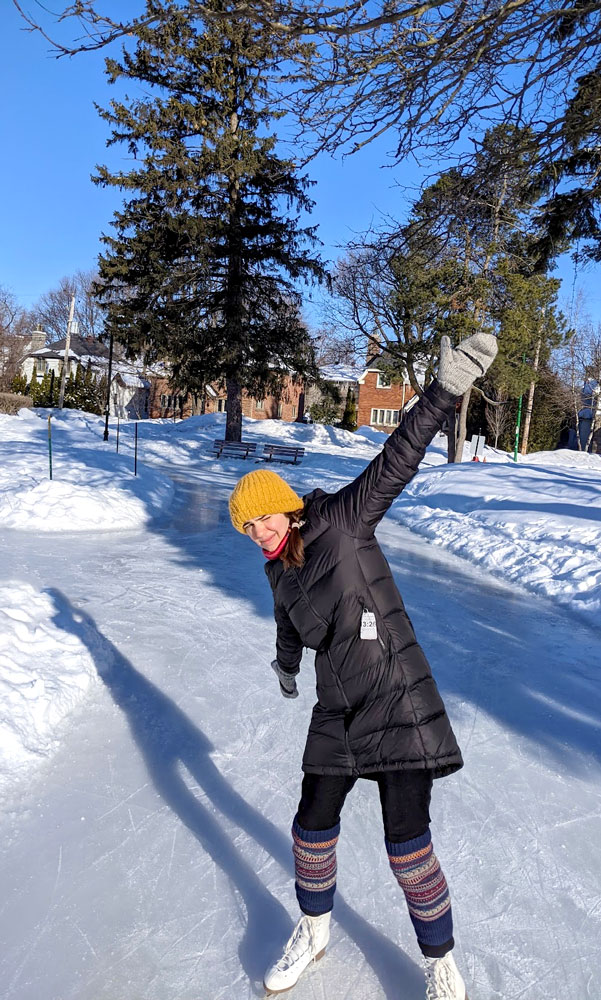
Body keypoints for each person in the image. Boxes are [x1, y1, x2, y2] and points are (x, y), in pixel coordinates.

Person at [228, 333, 497, 999]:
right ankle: (314, 931)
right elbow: (287, 623)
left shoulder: (343, 521)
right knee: (310, 828)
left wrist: (443, 390)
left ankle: (439, 963)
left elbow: (396, 457)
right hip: (338, 707)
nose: (258, 531)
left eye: (262, 517)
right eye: (247, 528)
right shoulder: (276, 573)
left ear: (283, 504)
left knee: (406, 847)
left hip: (396, 699)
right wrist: (286, 663)